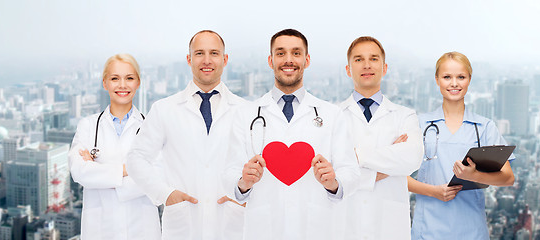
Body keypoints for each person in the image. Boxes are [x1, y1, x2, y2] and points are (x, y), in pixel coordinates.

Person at [223, 29, 360, 240]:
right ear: (270, 61)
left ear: (307, 60)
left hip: (315, 229)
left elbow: (351, 173)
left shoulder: (332, 115)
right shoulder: (246, 115)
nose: (289, 60)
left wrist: (333, 182)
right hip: (264, 229)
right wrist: (244, 181)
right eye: (280, 53)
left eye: (296, 53)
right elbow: (228, 173)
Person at [126, 30, 246, 240]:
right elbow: (137, 158)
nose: (207, 60)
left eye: (214, 53)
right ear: (189, 59)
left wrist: (245, 196)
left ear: (225, 59)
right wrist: (165, 194)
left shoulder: (247, 111)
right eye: (199, 53)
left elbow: (265, 166)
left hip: (233, 224)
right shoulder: (164, 109)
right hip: (183, 226)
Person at [408, 51, 515, 240]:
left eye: (461, 77)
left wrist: (475, 176)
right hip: (428, 231)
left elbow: (508, 178)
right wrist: (433, 191)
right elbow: (395, 177)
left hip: (471, 231)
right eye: (447, 77)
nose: (454, 83)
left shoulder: (484, 127)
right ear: (437, 79)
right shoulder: (419, 125)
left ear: (469, 80)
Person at [336, 36, 423, 240]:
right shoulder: (333, 116)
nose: (367, 65)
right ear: (348, 70)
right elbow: (332, 171)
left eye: (374, 59)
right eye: (358, 59)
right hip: (345, 228)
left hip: (390, 230)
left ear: (384, 68)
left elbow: (412, 158)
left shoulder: (405, 115)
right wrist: (388, 166)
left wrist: (356, 157)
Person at [68, 54, 161, 239]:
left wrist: (98, 173)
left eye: (129, 78)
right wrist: (129, 170)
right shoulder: (88, 126)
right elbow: (79, 172)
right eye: (115, 78)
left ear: (138, 83)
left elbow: (156, 178)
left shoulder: (154, 127)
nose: (122, 85)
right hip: (99, 230)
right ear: (105, 83)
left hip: (142, 231)